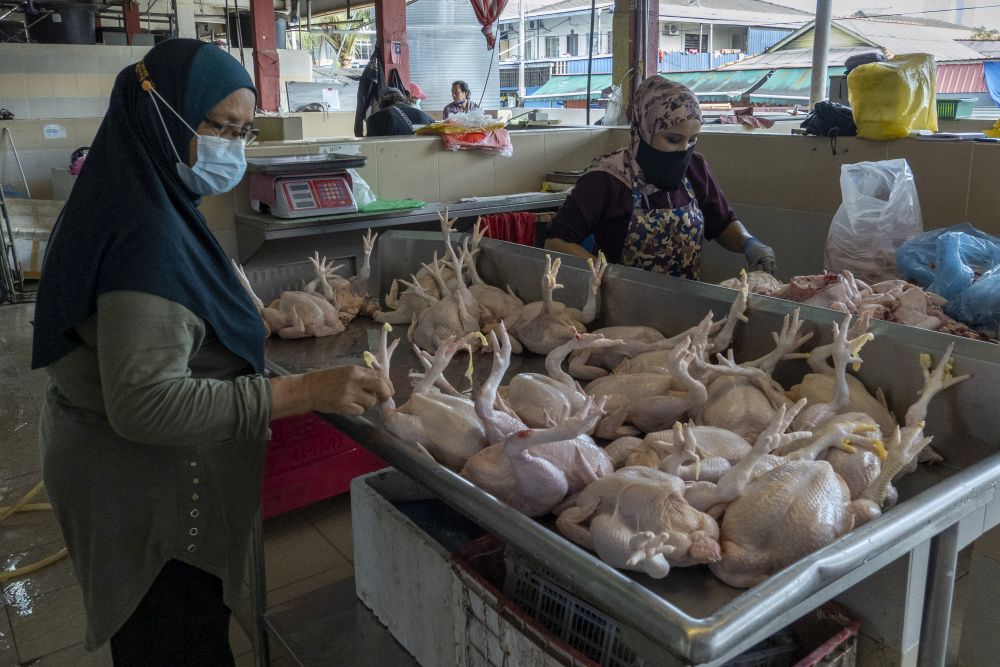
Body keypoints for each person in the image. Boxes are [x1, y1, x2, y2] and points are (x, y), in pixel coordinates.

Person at [30, 39, 392, 665]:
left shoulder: (135, 188)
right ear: (160, 111)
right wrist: (304, 391)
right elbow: (145, 404)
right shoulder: (146, 236)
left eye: (244, 131)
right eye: (219, 127)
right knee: (175, 641)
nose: (232, 147)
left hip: (110, 464)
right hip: (144, 494)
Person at [545, 76, 776, 279]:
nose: (684, 150)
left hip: (682, 304)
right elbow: (557, 241)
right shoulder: (606, 178)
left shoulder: (695, 168)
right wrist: (607, 276)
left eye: (692, 140)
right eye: (673, 140)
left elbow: (722, 223)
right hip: (619, 306)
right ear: (645, 130)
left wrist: (749, 243)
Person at [366, 87, 434, 137]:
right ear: (403, 98)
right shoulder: (426, 116)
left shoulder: (375, 119)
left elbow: (371, 148)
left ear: (380, 103)